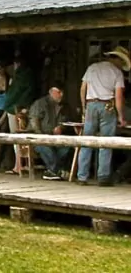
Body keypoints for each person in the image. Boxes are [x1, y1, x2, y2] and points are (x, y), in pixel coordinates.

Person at [77, 46, 129, 186]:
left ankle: (82, 176)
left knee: (87, 141)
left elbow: (83, 89)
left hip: (91, 105)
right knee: (106, 142)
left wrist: (84, 107)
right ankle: (103, 177)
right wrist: (120, 116)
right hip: (107, 106)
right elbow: (118, 96)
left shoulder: (92, 67)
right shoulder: (117, 73)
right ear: (117, 59)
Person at [29, 84, 71, 181]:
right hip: (39, 137)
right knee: (46, 148)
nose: (61, 95)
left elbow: (66, 121)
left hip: (56, 137)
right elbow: (34, 121)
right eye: (59, 92)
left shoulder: (64, 106)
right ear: (51, 92)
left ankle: (52, 171)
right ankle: (57, 171)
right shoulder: (40, 103)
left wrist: (61, 127)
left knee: (67, 148)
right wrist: (41, 136)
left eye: (62, 92)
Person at [3, 56, 36, 175]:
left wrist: (9, 106)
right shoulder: (30, 77)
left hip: (15, 110)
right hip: (26, 108)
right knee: (25, 138)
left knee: (16, 137)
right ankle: (25, 164)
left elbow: (13, 95)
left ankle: (18, 165)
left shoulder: (19, 77)